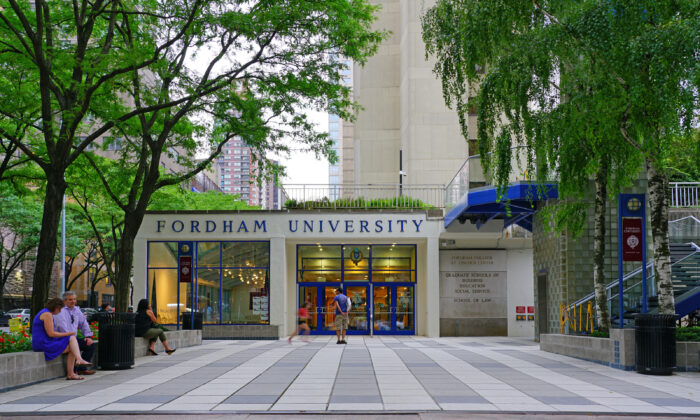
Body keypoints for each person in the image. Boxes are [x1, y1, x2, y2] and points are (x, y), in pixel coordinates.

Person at [33, 298, 92, 380]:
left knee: (72, 347)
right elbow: (51, 333)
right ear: (57, 307)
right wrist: (68, 333)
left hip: (44, 341)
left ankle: (72, 373)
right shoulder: (47, 314)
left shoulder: (45, 312)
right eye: (60, 309)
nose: (60, 311)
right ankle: (78, 362)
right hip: (43, 343)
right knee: (71, 337)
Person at [54, 291, 96, 375]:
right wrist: (70, 339)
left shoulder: (76, 310)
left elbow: (83, 323)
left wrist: (88, 336)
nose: (73, 301)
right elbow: (61, 327)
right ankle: (73, 371)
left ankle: (81, 369)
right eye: (70, 300)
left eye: (74, 299)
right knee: (74, 344)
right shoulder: (60, 311)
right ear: (64, 301)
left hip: (73, 338)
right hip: (62, 338)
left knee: (90, 345)